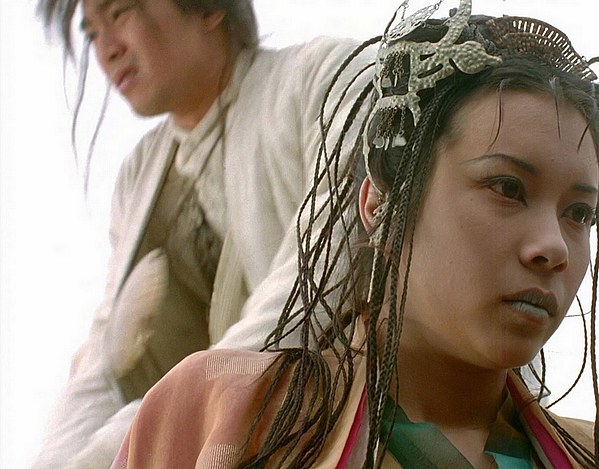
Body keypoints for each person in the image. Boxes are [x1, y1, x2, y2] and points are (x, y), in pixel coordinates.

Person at [111, 0, 599, 467]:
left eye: (580, 214)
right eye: (507, 188)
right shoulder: (220, 418)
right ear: (381, 204)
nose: (554, 247)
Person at [33, 0, 371, 467]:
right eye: (91, 33)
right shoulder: (138, 180)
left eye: (120, 12)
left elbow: (322, 274)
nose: (106, 50)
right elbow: (99, 363)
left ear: (209, 9)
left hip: (336, 424)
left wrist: (142, 434)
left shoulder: (325, 77)